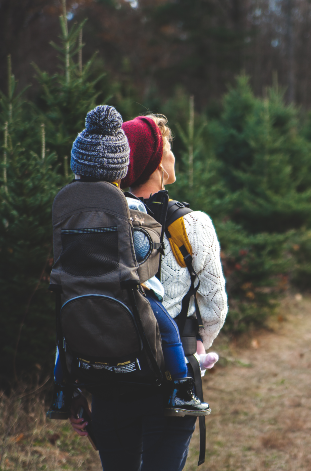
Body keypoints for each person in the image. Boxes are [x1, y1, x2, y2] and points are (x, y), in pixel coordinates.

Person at [69, 112, 228, 470]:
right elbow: (214, 307)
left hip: (110, 379)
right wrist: (195, 350)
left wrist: (75, 384)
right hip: (171, 386)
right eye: (169, 147)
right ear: (157, 162)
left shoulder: (97, 222)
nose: (174, 154)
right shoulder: (191, 224)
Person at [46, 105, 211, 421]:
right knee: (168, 330)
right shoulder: (128, 206)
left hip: (75, 290)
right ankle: (182, 388)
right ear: (120, 169)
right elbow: (142, 249)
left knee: (64, 336)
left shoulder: (67, 205)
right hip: (125, 290)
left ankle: (62, 392)